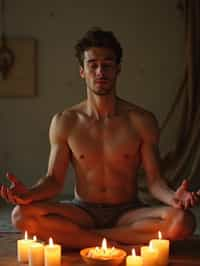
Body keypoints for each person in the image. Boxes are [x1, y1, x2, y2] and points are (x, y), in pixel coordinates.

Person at [1, 28, 200, 250]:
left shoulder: (141, 120)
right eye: (92, 65)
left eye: (107, 65)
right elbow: (53, 181)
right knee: (21, 215)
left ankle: (86, 238)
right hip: (82, 211)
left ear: (118, 69)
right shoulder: (66, 121)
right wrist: (30, 194)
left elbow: (154, 182)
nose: (100, 72)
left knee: (183, 221)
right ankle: (120, 242)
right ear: (82, 71)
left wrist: (173, 197)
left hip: (128, 212)